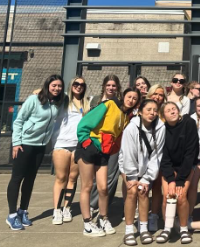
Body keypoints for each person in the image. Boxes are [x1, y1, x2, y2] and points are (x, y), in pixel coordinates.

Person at [76, 87, 139, 237]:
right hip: (89, 148)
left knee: (103, 188)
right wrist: (86, 143)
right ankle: (87, 224)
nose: (131, 100)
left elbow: (118, 137)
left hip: (104, 153)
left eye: (135, 98)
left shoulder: (126, 116)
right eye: (129, 96)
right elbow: (84, 124)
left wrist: (112, 150)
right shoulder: (109, 104)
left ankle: (104, 218)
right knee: (87, 186)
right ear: (123, 96)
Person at [6, 75, 64, 230]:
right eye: (53, 85)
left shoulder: (58, 102)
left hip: (40, 146)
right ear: (47, 85)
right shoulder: (34, 100)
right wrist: (16, 142)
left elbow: (70, 94)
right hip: (24, 144)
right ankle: (11, 215)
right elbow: (19, 121)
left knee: (30, 180)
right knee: (17, 178)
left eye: (59, 86)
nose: (56, 88)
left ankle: (23, 211)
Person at [120, 99, 166, 246]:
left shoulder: (160, 127)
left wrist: (147, 178)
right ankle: (128, 231)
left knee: (143, 191)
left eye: (155, 110)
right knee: (132, 191)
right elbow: (128, 154)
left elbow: (157, 155)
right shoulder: (131, 128)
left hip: (148, 166)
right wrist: (132, 177)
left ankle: (144, 229)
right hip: (130, 166)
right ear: (140, 112)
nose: (152, 113)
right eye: (148, 110)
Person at [155, 101, 198, 244]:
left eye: (174, 109)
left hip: (186, 166)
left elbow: (190, 153)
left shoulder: (189, 123)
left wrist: (179, 180)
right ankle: (167, 228)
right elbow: (164, 157)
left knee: (180, 196)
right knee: (168, 195)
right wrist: (170, 179)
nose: (173, 111)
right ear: (163, 116)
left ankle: (183, 228)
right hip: (169, 167)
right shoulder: (162, 129)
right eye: (168, 110)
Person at [51, 76, 90, 225]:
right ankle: (56, 209)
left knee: (72, 179)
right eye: (76, 84)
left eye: (81, 84)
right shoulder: (63, 100)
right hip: (61, 144)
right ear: (71, 85)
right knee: (61, 177)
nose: (79, 86)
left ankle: (67, 208)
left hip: (78, 145)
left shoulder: (87, 103)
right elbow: (42, 92)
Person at [89, 75, 124, 212]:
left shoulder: (119, 103)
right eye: (108, 85)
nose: (111, 88)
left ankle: (102, 205)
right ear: (104, 86)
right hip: (95, 142)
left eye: (113, 85)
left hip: (113, 143)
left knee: (111, 176)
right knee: (94, 176)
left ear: (117, 87)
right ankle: (92, 204)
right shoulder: (94, 101)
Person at [144, 83, 167, 231]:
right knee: (144, 186)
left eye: (161, 95)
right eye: (155, 94)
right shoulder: (144, 109)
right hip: (144, 154)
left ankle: (153, 215)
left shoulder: (165, 111)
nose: (158, 97)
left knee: (157, 186)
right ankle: (143, 216)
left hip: (160, 154)